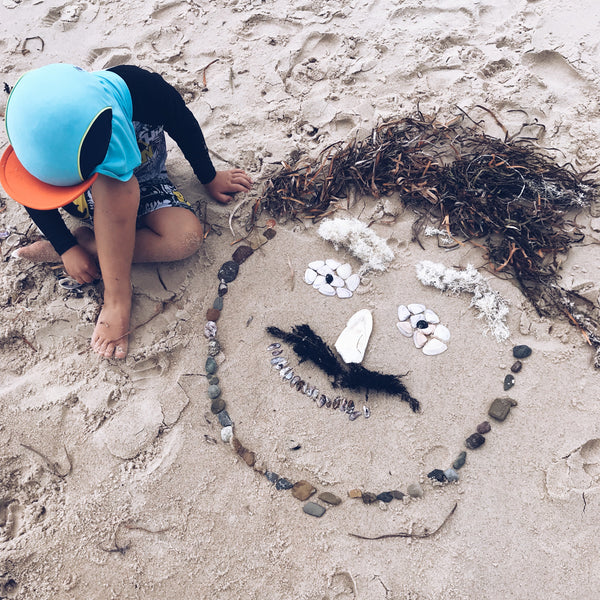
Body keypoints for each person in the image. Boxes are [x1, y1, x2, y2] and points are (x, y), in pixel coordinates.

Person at [0, 63, 252, 360]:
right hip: (84, 198)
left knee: (186, 238)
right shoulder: (38, 132)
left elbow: (182, 122)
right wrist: (64, 245)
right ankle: (117, 299)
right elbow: (32, 191)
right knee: (111, 193)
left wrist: (209, 176)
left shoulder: (144, 90)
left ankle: (94, 247)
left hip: (147, 181)